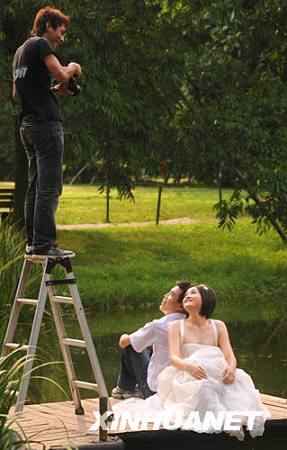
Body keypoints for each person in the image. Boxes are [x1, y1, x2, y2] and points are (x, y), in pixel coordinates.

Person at [113, 284, 270, 440]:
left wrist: (232, 367)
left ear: (205, 300)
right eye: (187, 293)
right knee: (198, 386)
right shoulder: (177, 326)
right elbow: (175, 358)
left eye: (193, 293)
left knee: (133, 346)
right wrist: (188, 366)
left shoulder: (217, 325)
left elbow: (228, 353)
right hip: (187, 371)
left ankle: (125, 387)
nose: (188, 295)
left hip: (204, 372)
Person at [12, 7, 81, 259]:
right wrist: (74, 67)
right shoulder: (41, 44)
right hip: (45, 125)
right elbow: (63, 72)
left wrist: (50, 89)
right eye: (61, 31)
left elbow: (17, 96)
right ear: (48, 25)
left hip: (27, 127)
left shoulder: (20, 52)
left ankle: (33, 242)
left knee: (34, 186)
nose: (62, 38)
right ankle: (45, 243)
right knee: (50, 187)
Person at [111, 281, 190, 400]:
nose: (165, 295)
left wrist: (125, 336)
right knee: (146, 344)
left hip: (155, 391)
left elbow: (124, 343)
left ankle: (124, 388)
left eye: (171, 294)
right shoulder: (193, 325)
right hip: (180, 388)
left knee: (132, 345)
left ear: (180, 306)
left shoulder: (159, 326)